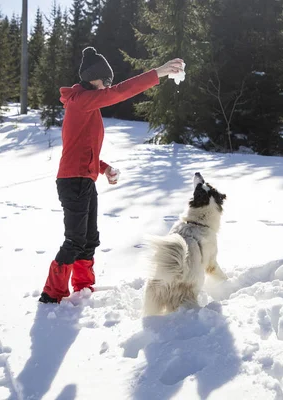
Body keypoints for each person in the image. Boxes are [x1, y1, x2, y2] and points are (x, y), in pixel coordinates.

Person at [39, 47, 184, 304]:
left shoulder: (85, 105)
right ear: (93, 78)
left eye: (110, 82)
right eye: (106, 81)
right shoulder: (82, 100)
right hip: (73, 181)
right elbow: (120, 93)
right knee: (74, 239)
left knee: (89, 238)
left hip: (84, 179)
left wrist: (103, 167)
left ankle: (83, 287)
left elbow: (81, 147)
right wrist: (158, 73)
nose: (108, 86)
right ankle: (51, 295)